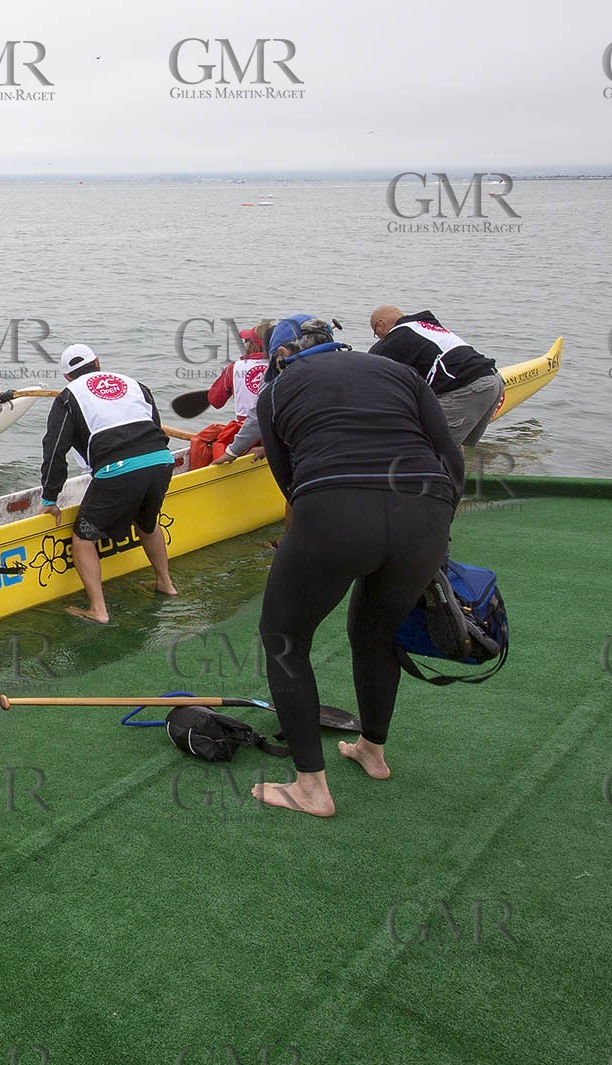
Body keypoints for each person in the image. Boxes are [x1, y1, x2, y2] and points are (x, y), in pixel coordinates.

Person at [250, 319, 465, 817]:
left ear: (283, 357)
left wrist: (325, 538)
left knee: (284, 636)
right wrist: (438, 533)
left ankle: (310, 788)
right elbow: (449, 454)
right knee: (376, 632)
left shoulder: (278, 390)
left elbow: (290, 483)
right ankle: (372, 750)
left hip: (335, 510)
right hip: (426, 510)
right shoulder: (398, 371)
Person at [38, 344, 178, 624]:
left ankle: (98, 610)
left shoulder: (68, 396)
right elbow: (155, 426)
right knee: (147, 523)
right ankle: (166, 583)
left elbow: (54, 449)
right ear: (98, 363)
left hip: (120, 470)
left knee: (83, 537)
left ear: (67, 377)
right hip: (162, 460)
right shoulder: (135, 384)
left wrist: (49, 498)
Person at [369, 306, 501, 447]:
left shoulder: (396, 338)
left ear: (381, 324)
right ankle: (456, 468)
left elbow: (368, 371)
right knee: (457, 445)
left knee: (428, 445)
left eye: (376, 333)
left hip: (470, 388)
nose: (380, 339)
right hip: (494, 379)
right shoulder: (425, 326)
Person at [190, 321, 273, 468]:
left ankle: (211, 474)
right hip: (275, 430)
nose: (244, 344)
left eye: (247, 341)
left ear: (253, 344)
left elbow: (215, 401)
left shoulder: (234, 368)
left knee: (202, 440)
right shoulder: (283, 365)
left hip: (245, 430)